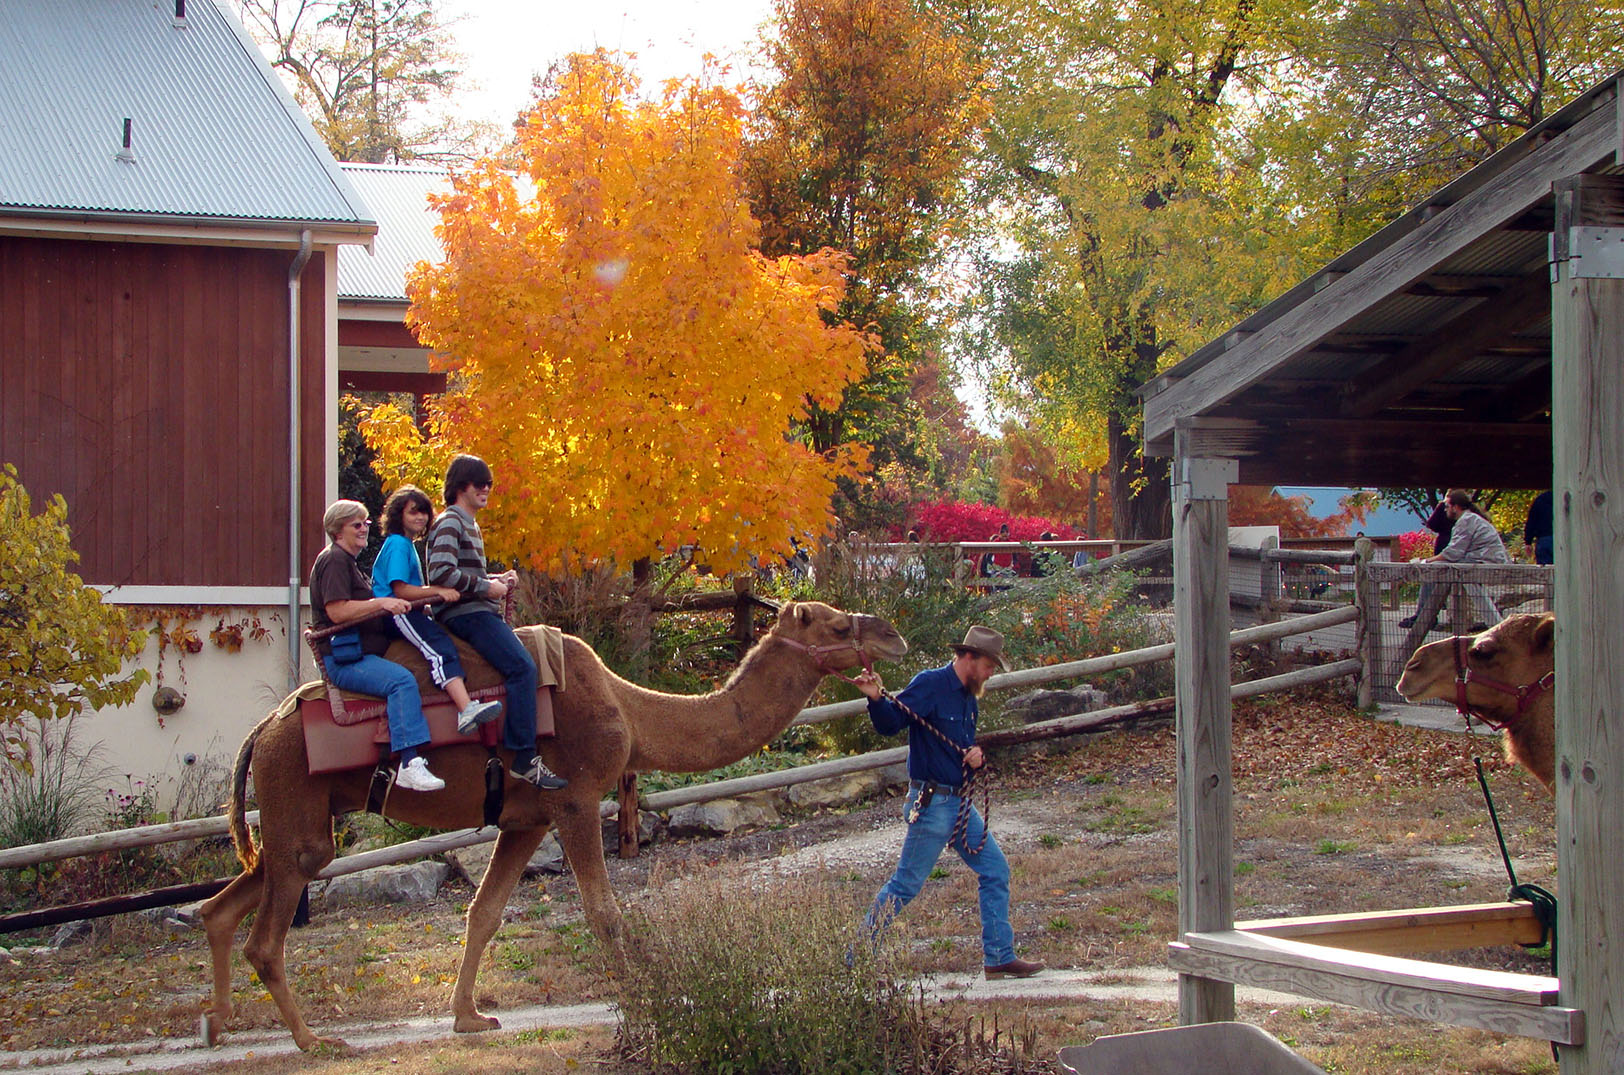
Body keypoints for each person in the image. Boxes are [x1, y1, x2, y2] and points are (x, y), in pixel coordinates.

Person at [853, 626, 1043, 980]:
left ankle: (999, 956)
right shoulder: (930, 684)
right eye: (989, 665)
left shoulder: (969, 695)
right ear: (969, 658)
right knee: (905, 885)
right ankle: (857, 958)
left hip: (958, 804)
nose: (990, 673)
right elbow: (891, 724)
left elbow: (961, 746)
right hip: (932, 803)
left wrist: (977, 757)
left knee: (995, 870)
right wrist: (875, 699)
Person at [426, 455, 567, 790]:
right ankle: (523, 756)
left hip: (476, 608)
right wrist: (486, 587)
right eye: (480, 483)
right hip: (465, 614)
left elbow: (463, 574)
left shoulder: (470, 525)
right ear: (461, 487)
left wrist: (493, 579)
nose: (487, 489)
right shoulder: (450, 522)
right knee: (522, 667)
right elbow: (441, 574)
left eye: (489, 483)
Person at [309, 500, 445, 792]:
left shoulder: (348, 563)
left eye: (366, 523)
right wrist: (381, 602)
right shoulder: (333, 560)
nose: (363, 529)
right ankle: (409, 762)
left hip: (363, 652)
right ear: (337, 531)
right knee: (401, 682)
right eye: (355, 524)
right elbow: (338, 611)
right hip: (346, 660)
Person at [372, 485, 504, 736]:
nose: (420, 518)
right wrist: (437, 592)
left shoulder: (407, 545)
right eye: (413, 512)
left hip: (410, 611)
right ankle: (465, 708)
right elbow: (400, 590)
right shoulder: (398, 544)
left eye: (424, 512)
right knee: (438, 647)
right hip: (398, 613)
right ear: (399, 515)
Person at [1410, 489, 1509, 632]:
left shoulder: (1466, 521)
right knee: (1443, 567)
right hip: (1481, 561)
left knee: (1435, 568)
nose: (1445, 510)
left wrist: (1425, 562)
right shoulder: (1470, 519)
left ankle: (1425, 618)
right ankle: (1495, 626)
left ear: (1455, 507)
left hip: (1486, 563)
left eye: (1447, 506)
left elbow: (1453, 553)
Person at [1523, 490, 1554, 566]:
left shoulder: (1540, 499)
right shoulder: (1568, 497)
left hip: (1544, 539)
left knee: (1545, 572)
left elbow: (1531, 521)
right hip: (1564, 539)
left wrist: (1528, 542)